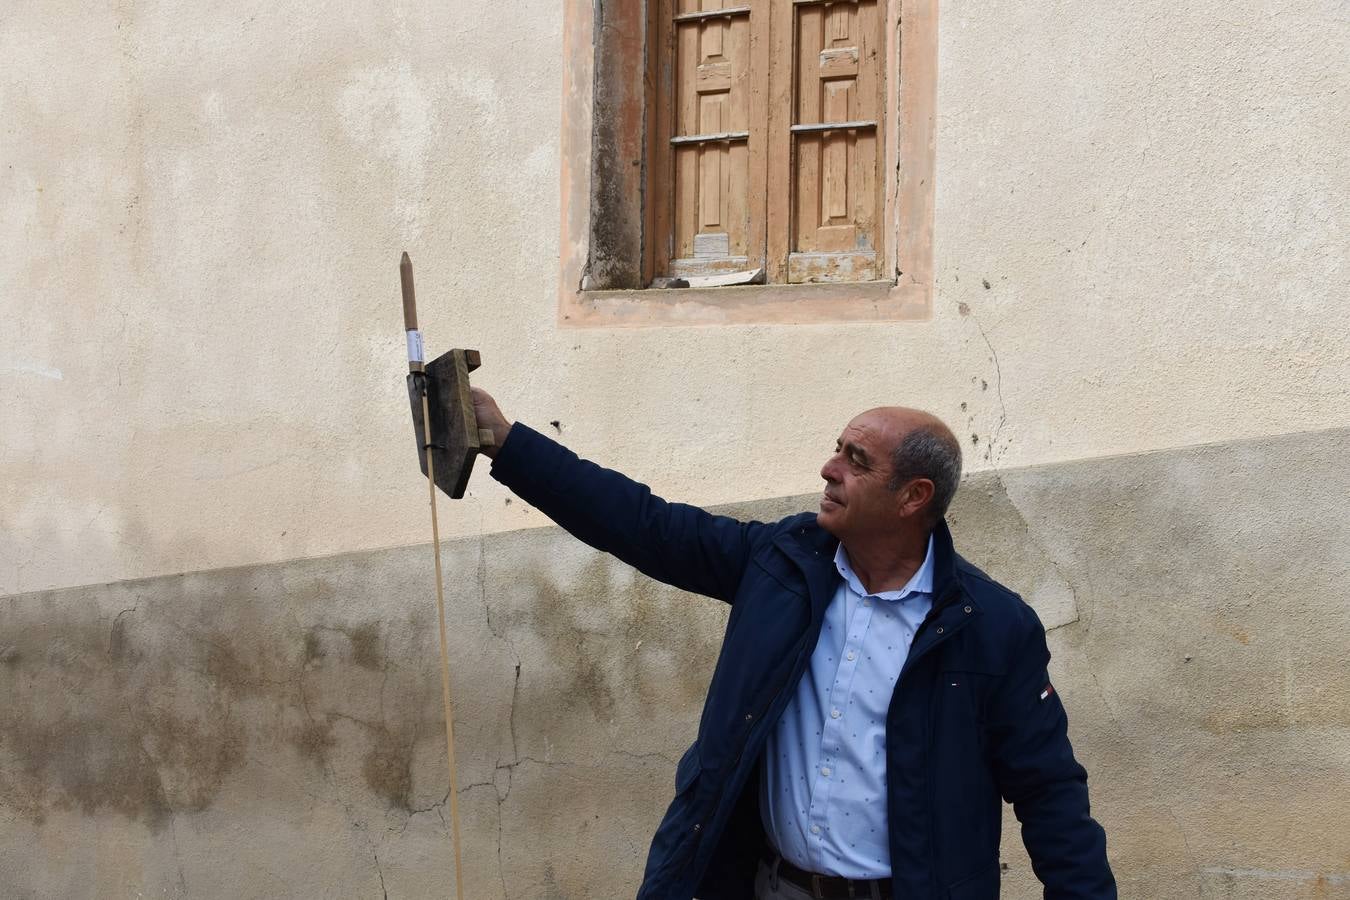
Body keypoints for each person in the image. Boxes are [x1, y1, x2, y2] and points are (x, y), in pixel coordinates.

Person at [471, 388, 1115, 900]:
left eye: (857, 461)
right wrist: (507, 442)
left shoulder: (991, 626)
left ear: (913, 497)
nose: (829, 469)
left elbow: (1050, 794)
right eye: (838, 449)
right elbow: (645, 525)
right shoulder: (780, 564)